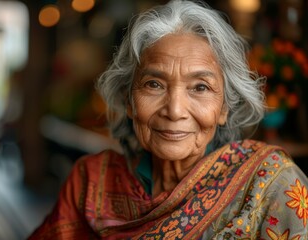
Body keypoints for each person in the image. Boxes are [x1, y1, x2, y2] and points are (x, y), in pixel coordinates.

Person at [29, 0, 308, 239]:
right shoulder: (89, 182)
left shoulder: (270, 184)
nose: (174, 110)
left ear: (224, 107)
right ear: (129, 100)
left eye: (200, 87)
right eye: (154, 84)